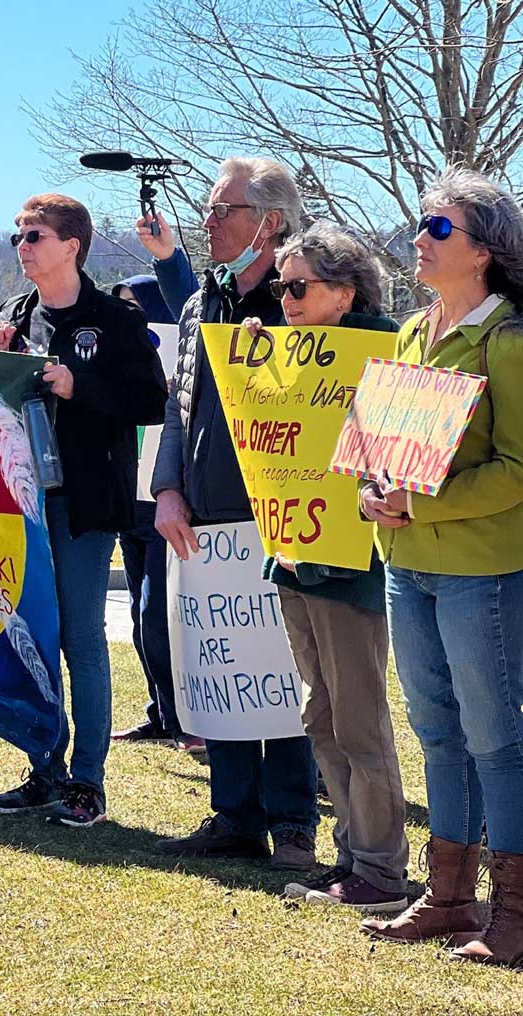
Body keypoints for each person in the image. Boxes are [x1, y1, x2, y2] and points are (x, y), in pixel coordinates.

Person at [358, 168, 523, 968]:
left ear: (485, 251)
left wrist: (419, 506)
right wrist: (370, 492)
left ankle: (514, 915)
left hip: (482, 573)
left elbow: (521, 470)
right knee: (437, 734)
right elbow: (378, 449)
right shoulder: (410, 333)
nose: (417, 240)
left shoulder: (511, 341)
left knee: (497, 740)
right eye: (420, 225)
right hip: (406, 565)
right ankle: (450, 899)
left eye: (438, 229)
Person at [228, 224, 409, 913]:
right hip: (296, 560)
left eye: (298, 286)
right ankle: (354, 855)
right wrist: (251, 369)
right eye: (280, 285)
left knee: (359, 722)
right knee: (321, 716)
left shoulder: (386, 353)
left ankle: (382, 871)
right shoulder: (288, 355)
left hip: (350, 565)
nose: (286, 298)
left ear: (345, 290)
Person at [151, 158, 321, 870]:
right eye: (211, 209)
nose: (209, 222)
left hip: (282, 517)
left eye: (224, 210)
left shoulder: (305, 302)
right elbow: (177, 404)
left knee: (279, 671)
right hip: (205, 518)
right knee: (221, 665)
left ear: (271, 222)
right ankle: (234, 816)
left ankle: (292, 821)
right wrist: (167, 487)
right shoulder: (199, 305)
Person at [0, 193, 168, 827]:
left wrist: (78, 386)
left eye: (34, 236)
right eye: (19, 237)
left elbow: (150, 400)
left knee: (80, 637)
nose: (23, 247)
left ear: (71, 246)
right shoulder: (12, 314)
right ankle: (45, 768)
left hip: (85, 500)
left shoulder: (115, 318)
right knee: (33, 634)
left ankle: (87, 780)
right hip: (18, 500)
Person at [109, 266, 204, 755]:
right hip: (131, 501)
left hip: (168, 502)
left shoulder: (187, 360)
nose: (130, 316)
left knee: (158, 617)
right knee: (142, 618)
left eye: (137, 307)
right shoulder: (122, 356)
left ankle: (189, 719)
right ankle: (161, 715)